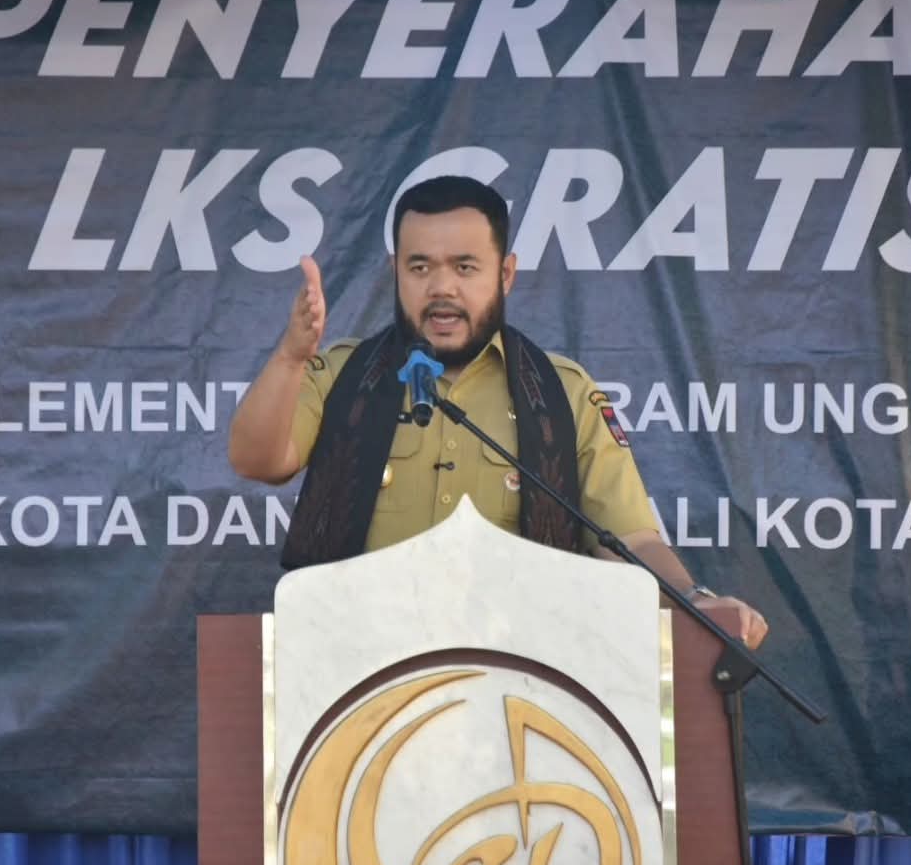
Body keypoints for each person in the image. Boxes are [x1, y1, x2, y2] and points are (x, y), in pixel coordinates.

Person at [228, 176, 768, 647]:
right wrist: (291, 358)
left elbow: (629, 540)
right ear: (395, 273)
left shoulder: (562, 394)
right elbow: (259, 461)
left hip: (522, 676)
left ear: (505, 274)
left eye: (465, 267)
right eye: (420, 267)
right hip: (354, 669)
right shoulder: (344, 375)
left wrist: (694, 601)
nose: (442, 288)